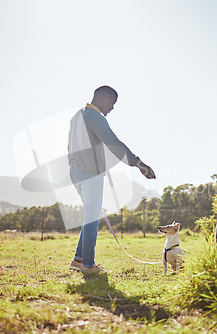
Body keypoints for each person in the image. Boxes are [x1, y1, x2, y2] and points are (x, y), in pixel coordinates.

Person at [67, 85, 156, 273]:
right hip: (90, 173)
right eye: (112, 103)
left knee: (89, 216)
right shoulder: (95, 117)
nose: (112, 108)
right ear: (102, 99)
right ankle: (88, 265)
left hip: (75, 172)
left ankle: (78, 259)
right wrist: (138, 162)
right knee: (92, 218)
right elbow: (113, 143)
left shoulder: (77, 116)